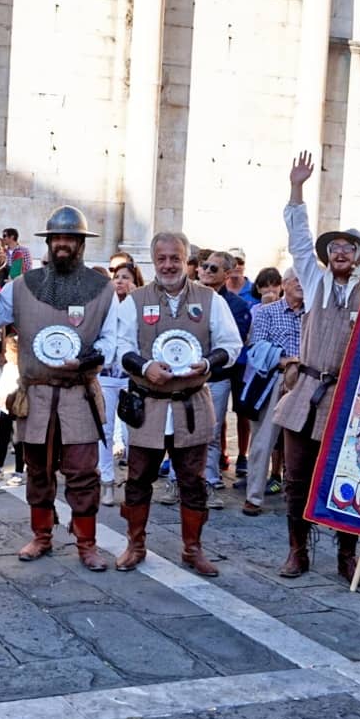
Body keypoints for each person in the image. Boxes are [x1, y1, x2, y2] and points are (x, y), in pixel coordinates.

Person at [273, 151, 360, 585]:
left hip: (348, 399)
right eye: (334, 247)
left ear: (358, 257)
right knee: (296, 478)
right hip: (306, 393)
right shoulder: (314, 282)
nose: (339, 252)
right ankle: (298, 551)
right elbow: (299, 239)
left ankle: (346, 557)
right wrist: (297, 187)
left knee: (347, 477)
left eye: (347, 248)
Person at [0, 207, 119, 570]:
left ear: (81, 244)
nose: (63, 244)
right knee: (37, 469)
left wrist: (85, 359)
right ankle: (42, 535)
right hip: (34, 394)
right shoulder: (19, 288)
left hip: (79, 391)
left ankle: (87, 543)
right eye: (57, 238)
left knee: (83, 471)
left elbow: (111, 341)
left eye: (71, 239)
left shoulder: (103, 290)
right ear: (49, 242)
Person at [115, 231, 242, 575]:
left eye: (175, 258)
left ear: (187, 260)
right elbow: (119, 345)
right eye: (162, 259)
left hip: (191, 404)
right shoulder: (135, 301)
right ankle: (135, 545)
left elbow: (231, 345)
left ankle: (193, 549)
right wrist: (144, 367)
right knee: (138, 478)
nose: (168, 265)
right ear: (153, 261)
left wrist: (208, 364)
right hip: (148, 404)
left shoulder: (210, 299)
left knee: (193, 480)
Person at [241, 268, 304, 516]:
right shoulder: (267, 312)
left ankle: (298, 496)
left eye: (304, 281)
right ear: (285, 284)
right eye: (296, 280)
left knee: (302, 442)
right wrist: (286, 360)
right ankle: (254, 497)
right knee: (263, 439)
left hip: (306, 381)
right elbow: (256, 347)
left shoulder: (313, 314)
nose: (301, 285)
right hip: (274, 380)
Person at [198, 250, 252, 505]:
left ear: (227, 274)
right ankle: (178, 479)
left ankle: (208, 477)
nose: (207, 271)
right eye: (204, 266)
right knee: (179, 427)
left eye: (213, 268)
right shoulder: (185, 298)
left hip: (216, 376)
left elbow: (233, 343)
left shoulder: (238, 306)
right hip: (185, 373)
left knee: (211, 428)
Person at [98, 260, 141, 506]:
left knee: (131, 430)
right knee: (104, 428)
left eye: (126, 277)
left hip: (131, 376)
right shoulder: (106, 305)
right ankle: (106, 480)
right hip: (106, 374)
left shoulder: (139, 306)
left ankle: (134, 479)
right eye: (117, 276)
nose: (120, 281)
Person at [0, 334, 24, 485]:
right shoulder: (7, 367)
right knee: (2, 439)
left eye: (9, 352)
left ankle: (19, 470)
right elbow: (1, 386)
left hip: (18, 410)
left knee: (18, 441)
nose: (6, 355)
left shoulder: (23, 369)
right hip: (5, 409)